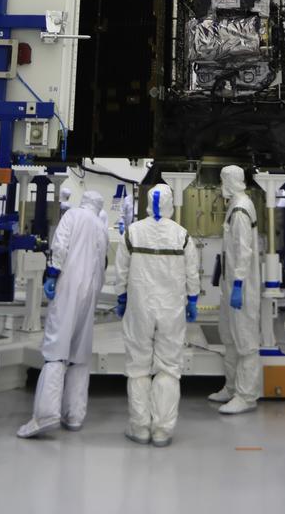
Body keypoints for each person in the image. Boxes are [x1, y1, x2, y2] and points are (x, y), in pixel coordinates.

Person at [17, 189, 107, 437]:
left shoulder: (74, 216)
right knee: (80, 354)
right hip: (90, 292)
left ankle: (46, 415)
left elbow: (60, 246)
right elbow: (102, 262)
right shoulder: (100, 226)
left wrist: (53, 274)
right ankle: (74, 415)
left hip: (69, 287)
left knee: (56, 349)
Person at [115, 183, 199, 447]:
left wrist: (121, 296)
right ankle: (163, 430)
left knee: (138, 366)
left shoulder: (133, 232)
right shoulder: (182, 235)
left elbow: (121, 270)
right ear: (170, 204)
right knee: (169, 366)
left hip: (140, 307)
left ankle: (140, 427)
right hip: (171, 309)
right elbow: (192, 272)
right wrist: (193, 299)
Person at [208, 164, 261, 415]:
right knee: (229, 336)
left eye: (222, 180)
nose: (220, 185)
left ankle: (246, 395)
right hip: (231, 283)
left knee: (245, 340)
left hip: (242, 285)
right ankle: (231, 388)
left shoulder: (240, 209)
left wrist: (238, 283)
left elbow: (244, 250)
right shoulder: (235, 204)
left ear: (230, 181)